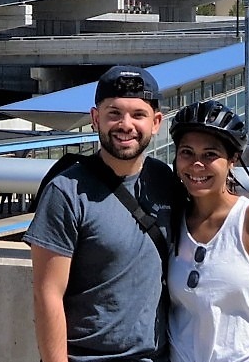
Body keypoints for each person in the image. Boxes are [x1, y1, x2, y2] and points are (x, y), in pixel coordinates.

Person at [27, 66, 177, 362]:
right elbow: (47, 296)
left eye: (138, 115)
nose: (126, 125)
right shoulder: (66, 191)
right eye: (114, 114)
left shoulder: (165, 180)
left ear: (156, 122)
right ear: (96, 118)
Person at [166, 101, 249, 362]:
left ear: (232, 160)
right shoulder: (172, 219)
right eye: (187, 152)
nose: (196, 165)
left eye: (209, 155)